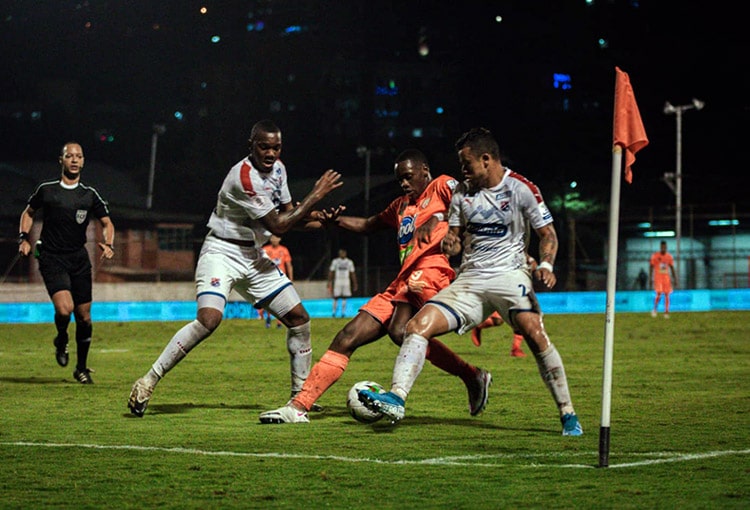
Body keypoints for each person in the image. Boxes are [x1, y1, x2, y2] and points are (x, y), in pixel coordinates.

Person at [359, 127, 583, 436]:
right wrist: (449, 242)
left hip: (509, 275)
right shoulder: (463, 193)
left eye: (467, 164)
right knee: (416, 327)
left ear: (487, 159)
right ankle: (397, 397)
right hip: (471, 281)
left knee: (533, 332)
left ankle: (567, 413)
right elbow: (456, 236)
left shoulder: (521, 189)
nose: (462, 171)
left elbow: (548, 234)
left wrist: (545, 263)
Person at [259, 148, 491, 424]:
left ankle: (457, 373)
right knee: (348, 335)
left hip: (431, 272)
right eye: (400, 179)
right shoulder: (401, 206)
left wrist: (439, 219)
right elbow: (370, 224)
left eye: (408, 177)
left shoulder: (441, 185)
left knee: (400, 330)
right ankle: (298, 406)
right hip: (402, 283)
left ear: (424, 171)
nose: (404, 183)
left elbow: (468, 199)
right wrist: (336, 222)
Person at [127, 120, 343, 417]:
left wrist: (322, 219)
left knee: (298, 318)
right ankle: (148, 381)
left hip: (252, 254)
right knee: (209, 320)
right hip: (222, 251)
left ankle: (300, 398)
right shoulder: (244, 176)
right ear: (251, 145)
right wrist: (315, 195)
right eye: (263, 146)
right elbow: (279, 224)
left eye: (276, 147)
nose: (270, 153)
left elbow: (289, 215)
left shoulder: (279, 170)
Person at [18, 142, 116, 384]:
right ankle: (62, 337)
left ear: (83, 161)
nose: (74, 160)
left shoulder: (89, 195)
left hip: (78, 259)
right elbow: (28, 213)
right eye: (69, 156)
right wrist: (24, 239)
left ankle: (81, 368)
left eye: (78, 156)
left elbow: (107, 223)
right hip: (51, 257)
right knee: (65, 309)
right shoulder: (47, 190)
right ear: (61, 160)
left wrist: (109, 243)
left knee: (84, 317)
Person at [471, 254, 539, 357]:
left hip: (515, 286)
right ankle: (479, 326)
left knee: (520, 316)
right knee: (499, 320)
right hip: (498, 284)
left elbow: (525, 257)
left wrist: (531, 261)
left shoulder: (515, 248)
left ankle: (516, 349)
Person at [262, 235, 293, 328]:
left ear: (280, 239)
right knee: (268, 299)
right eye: (272, 238)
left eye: (276, 238)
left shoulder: (284, 250)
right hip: (269, 277)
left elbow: (289, 265)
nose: (274, 240)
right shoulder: (265, 249)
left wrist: (290, 278)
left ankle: (279, 321)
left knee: (281, 300)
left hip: (281, 279)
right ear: (270, 239)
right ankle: (268, 317)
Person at [649, 241, 677, 318]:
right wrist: (650, 278)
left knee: (667, 294)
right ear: (660, 247)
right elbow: (651, 266)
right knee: (659, 293)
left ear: (666, 247)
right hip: (658, 278)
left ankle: (666, 312)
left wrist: (675, 279)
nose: (663, 248)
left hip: (666, 278)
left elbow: (672, 267)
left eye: (665, 247)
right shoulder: (655, 256)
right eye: (662, 247)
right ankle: (654, 309)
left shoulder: (669, 257)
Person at [328, 248, 357, 317]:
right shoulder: (335, 261)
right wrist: (329, 281)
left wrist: (355, 283)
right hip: (338, 281)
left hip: (346, 281)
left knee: (345, 297)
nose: (342, 254)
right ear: (339, 254)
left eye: (344, 253)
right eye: (341, 253)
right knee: (335, 297)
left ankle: (343, 313)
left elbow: (352, 273)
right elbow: (331, 272)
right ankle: (334, 313)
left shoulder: (349, 262)